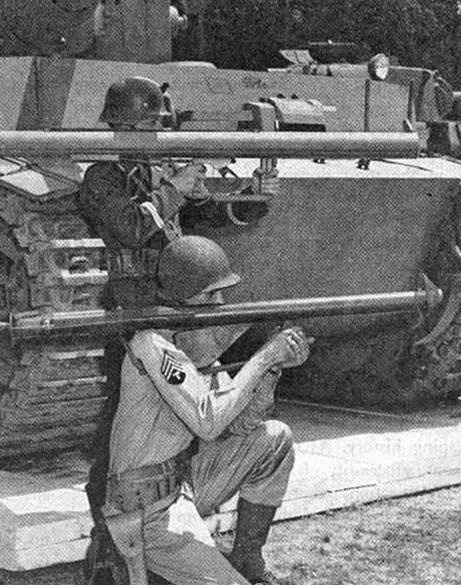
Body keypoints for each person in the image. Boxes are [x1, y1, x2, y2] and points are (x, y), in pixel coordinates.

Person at [79, 76, 274, 575]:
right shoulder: (101, 178)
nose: (155, 134)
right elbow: (129, 227)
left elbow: (216, 214)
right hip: (133, 315)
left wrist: (253, 194)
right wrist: (173, 189)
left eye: (159, 125)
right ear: (121, 127)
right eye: (147, 125)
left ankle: (183, 516)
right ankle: (112, 545)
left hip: (180, 309)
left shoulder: (160, 170)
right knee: (117, 436)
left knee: (190, 414)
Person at [101, 235, 306, 585]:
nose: (222, 302)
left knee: (274, 439)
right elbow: (208, 422)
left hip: (181, 486)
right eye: (212, 294)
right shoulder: (152, 344)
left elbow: (239, 423)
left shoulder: (190, 343)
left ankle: (247, 558)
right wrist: (263, 358)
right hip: (143, 509)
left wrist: (274, 369)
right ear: (186, 296)